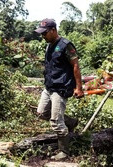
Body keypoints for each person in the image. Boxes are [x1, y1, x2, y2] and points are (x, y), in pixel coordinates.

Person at [34, 18, 84, 160]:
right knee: (42, 113)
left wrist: (79, 87)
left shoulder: (65, 45)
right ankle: (71, 122)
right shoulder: (49, 45)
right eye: (41, 33)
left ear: (53, 30)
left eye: (45, 33)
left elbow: (75, 65)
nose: (43, 36)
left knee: (55, 121)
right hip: (49, 86)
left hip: (61, 88)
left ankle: (64, 152)